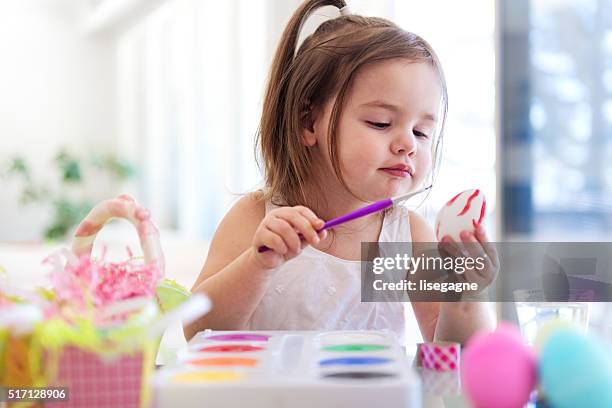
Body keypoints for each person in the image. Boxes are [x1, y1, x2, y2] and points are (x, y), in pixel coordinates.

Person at [185, 0, 497, 344]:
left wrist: (466, 296)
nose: (408, 144)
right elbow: (197, 330)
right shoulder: (256, 218)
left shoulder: (407, 236)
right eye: (381, 122)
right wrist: (258, 264)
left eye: (422, 132)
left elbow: (458, 354)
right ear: (308, 122)